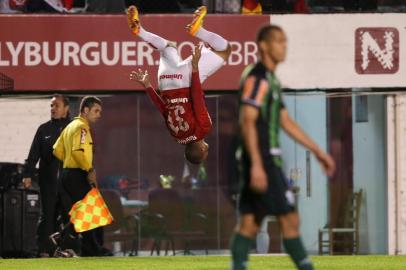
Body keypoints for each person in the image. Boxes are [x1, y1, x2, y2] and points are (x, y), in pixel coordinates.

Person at [230, 25, 336, 270]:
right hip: (262, 160)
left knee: (249, 224)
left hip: (263, 159)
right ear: (264, 46)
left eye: (285, 41)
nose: (284, 46)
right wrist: (256, 164)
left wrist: (319, 152)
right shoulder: (257, 78)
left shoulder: (272, 80)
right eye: (278, 41)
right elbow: (247, 120)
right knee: (289, 218)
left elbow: (286, 121)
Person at [126, 5, 231, 164]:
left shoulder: (203, 129)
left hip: (186, 81)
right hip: (165, 83)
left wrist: (195, 68)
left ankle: (198, 31)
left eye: (205, 154)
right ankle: (140, 32)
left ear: (202, 150)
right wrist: (148, 86)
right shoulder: (176, 137)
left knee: (225, 50)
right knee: (168, 46)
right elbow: (163, 110)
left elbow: (197, 99)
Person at [53, 96, 104, 257]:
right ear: (85, 110)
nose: (99, 115)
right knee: (90, 209)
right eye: (96, 111)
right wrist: (89, 170)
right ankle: (87, 247)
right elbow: (78, 151)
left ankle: (68, 240)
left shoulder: (70, 126)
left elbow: (57, 150)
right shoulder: (82, 127)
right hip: (78, 173)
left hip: (67, 173)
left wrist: (68, 162)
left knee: (85, 211)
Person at [22, 94, 70, 257]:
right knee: (47, 216)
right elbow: (33, 154)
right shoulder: (44, 129)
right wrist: (27, 174)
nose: (53, 109)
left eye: (56, 105)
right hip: (47, 182)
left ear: (66, 108)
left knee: (68, 217)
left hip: (68, 183)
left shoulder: (74, 128)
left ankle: (66, 249)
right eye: (51, 106)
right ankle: (44, 251)